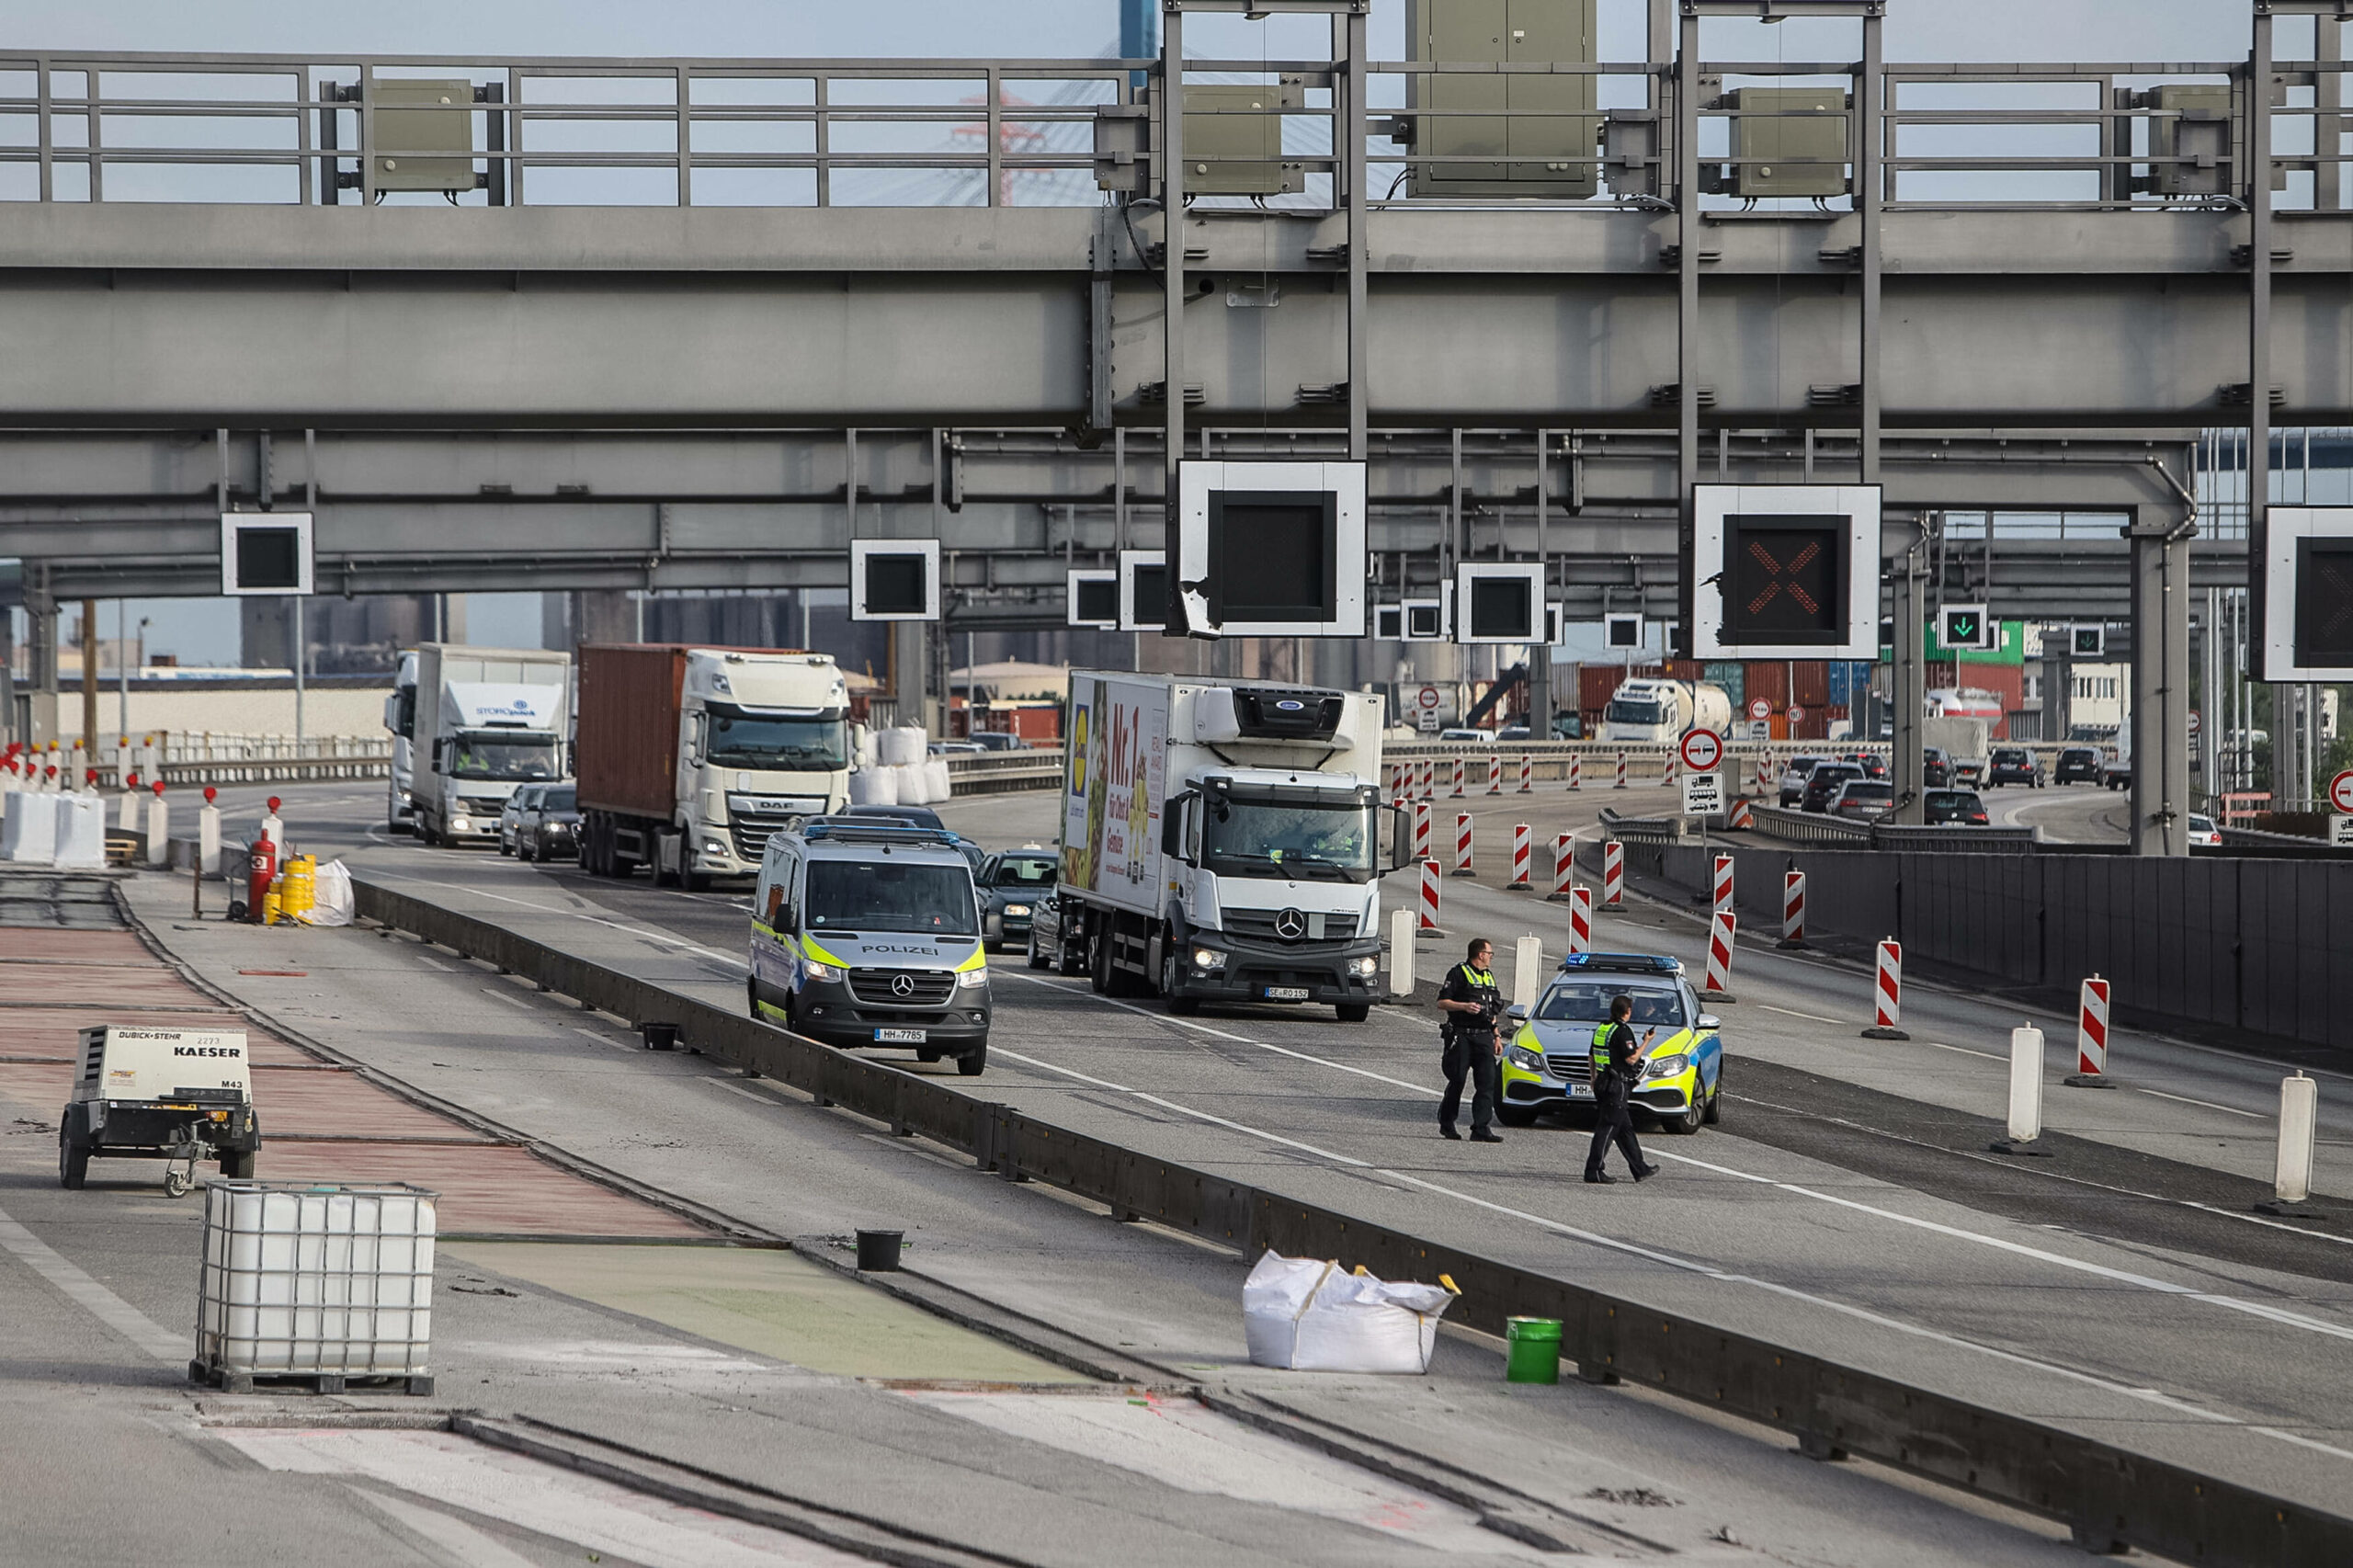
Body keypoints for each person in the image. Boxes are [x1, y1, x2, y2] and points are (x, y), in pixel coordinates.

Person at [1586, 994, 1661, 1184]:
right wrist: (1646, 1042)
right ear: (1627, 1012)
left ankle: (1639, 1168)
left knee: (1625, 1129)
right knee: (1607, 1128)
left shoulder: (1603, 1028)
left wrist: (1593, 1078)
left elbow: (1592, 1056)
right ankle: (1593, 1170)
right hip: (1616, 1086)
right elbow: (1631, 1058)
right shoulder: (1622, 1031)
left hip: (1602, 1083)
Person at [1437, 937, 1505, 1142]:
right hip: (1462, 1034)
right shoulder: (1458, 973)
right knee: (1457, 1080)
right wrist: (1464, 1006)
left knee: (1487, 1082)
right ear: (1480, 954)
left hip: (1484, 1036)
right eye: (1490, 953)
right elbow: (1441, 1003)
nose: (1491, 957)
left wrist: (1497, 1035)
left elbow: (1491, 1011)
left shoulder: (1489, 977)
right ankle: (1447, 1123)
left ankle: (1481, 1128)